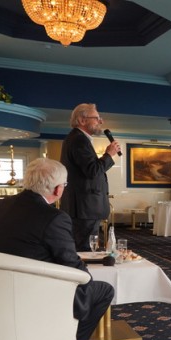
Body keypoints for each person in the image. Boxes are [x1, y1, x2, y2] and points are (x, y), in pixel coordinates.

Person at [0, 158, 113, 340]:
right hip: (35, 291)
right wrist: (86, 277)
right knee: (102, 290)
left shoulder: (3, 205)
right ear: (58, 189)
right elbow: (71, 263)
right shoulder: (54, 217)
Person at [59, 103, 121, 251]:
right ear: (82, 120)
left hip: (83, 207)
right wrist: (108, 155)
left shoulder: (77, 138)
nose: (101, 121)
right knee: (85, 250)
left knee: (83, 248)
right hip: (84, 208)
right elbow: (92, 171)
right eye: (97, 118)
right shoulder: (79, 139)